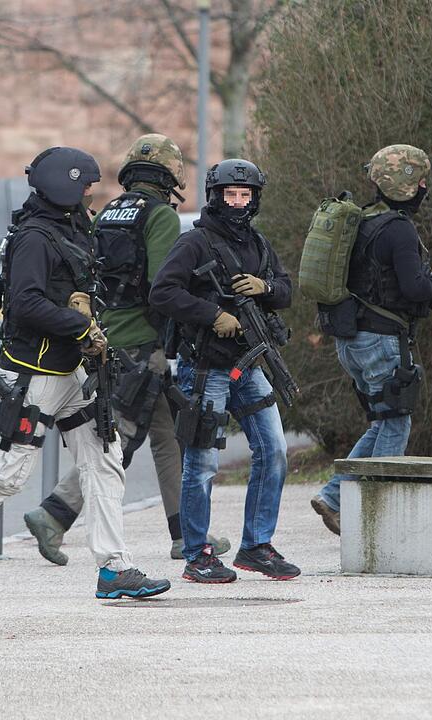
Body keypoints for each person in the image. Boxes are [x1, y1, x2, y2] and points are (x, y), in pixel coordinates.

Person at [0, 146, 171, 603]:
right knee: (8, 473)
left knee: (105, 459)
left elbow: (80, 287)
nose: (92, 193)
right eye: (86, 184)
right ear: (65, 183)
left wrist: (88, 311)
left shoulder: (73, 227)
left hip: (70, 371)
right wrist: (80, 323)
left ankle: (114, 568)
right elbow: (25, 303)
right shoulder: (34, 237)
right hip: (33, 373)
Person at [23, 134, 230, 565]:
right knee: (118, 438)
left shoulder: (108, 213)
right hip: (141, 342)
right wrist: (204, 309)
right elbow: (164, 285)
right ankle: (53, 514)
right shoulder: (161, 217)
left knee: (170, 434)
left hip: (106, 334)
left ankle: (185, 533)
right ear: (170, 175)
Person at [149, 158, 299, 583]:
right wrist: (213, 314)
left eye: (244, 195)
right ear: (215, 196)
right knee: (200, 465)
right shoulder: (194, 243)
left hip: (248, 365)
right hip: (205, 369)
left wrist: (265, 287)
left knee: (274, 452)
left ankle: (256, 546)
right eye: (230, 195)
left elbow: (287, 289)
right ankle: (197, 554)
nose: (237, 202)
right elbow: (163, 291)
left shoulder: (258, 243)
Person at [311, 144, 432, 535]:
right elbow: (414, 288)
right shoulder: (399, 228)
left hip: (351, 339)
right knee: (397, 421)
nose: (422, 188)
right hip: (381, 340)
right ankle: (376, 514)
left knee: (382, 420)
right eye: (419, 181)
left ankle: (334, 496)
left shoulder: (363, 220)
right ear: (405, 185)